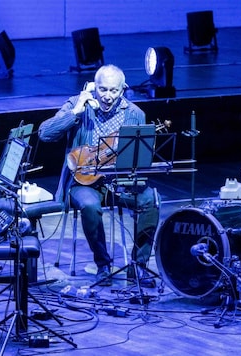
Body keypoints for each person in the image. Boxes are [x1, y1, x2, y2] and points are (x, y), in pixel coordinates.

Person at [38, 64, 160, 287]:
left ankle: (138, 266)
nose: (107, 96)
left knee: (150, 200)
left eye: (113, 90)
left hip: (118, 182)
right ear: (94, 88)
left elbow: (139, 158)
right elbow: (45, 134)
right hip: (82, 181)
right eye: (102, 89)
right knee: (90, 206)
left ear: (122, 89)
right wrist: (76, 112)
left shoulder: (135, 114)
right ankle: (103, 264)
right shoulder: (78, 104)